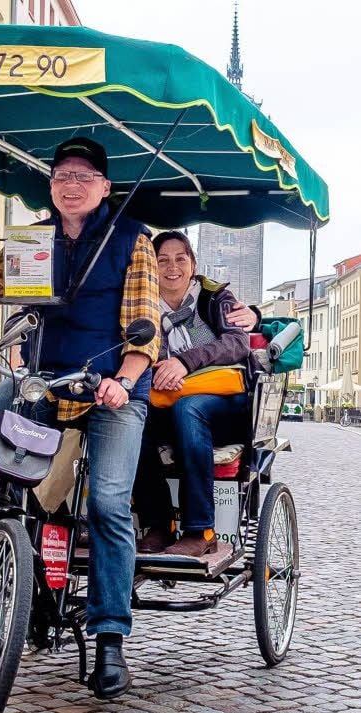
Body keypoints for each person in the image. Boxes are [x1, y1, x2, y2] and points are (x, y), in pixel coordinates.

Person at [0, 137, 161, 700]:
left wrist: (125, 378)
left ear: (104, 187)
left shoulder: (130, 240)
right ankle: (19, 551)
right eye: (62, 174)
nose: (72, 184)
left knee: (111, 502)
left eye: (84, 175)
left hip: (109, 390)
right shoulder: (32, 238)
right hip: (43, 381)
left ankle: (111, 639)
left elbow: (145, 321)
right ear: (51, 186)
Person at [134, 230, 255, 558]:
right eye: (162, 260)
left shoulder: (215, 298)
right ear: (151, 266)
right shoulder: (140, 303)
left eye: (180, 259)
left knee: (189, 408)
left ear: (193, 264)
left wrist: (184, 363)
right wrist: (160, 370)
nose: (171, 267)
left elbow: (236, 342)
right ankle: (158, 525)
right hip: (165, 401)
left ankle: (200, 530)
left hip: (224, 404)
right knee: (131, 420)